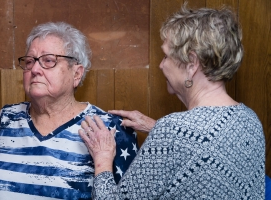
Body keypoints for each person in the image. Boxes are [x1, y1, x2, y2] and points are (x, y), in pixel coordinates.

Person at [79, 5, 265, 199]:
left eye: (166, 56)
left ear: (192, 63)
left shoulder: (174, 132)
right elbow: (210, 146)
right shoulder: (250, 120)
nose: (161, 65)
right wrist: (157, 128)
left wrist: (102, 159)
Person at [0, 22, 138, 200]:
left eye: (48, 61)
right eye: (29, 61)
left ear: (76, 74)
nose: (34, 69)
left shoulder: (109, 129)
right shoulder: (6, 117)